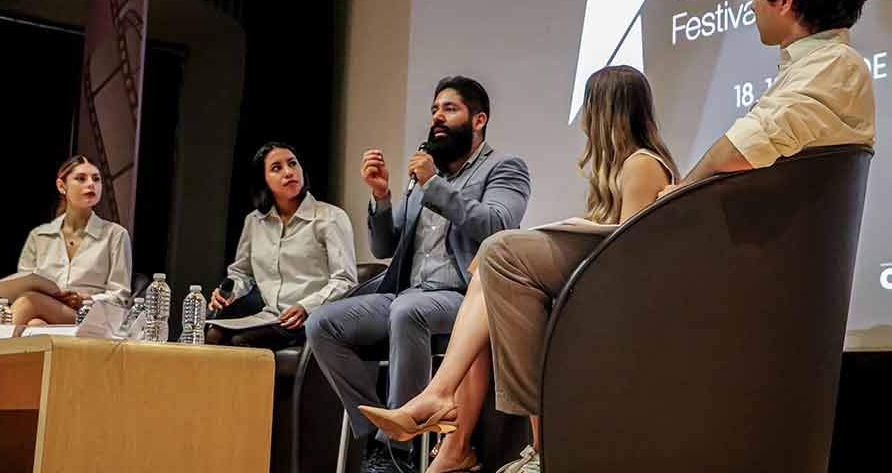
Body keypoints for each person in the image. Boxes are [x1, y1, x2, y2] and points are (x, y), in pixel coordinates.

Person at [360, 66, 679, 473]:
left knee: (495, 252)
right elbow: (386, 243)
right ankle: (466, 429)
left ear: (606, 109)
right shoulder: (620, 168)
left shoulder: (640, 164)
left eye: (587, 105)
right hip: (592, 284)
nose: (581, 117)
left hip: (624, 295)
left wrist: (578, 227)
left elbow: (627, 255)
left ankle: (449, 407)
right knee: (489, 273)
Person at [306, 76, 531, 470]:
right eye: (434, 110)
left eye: (449, 109)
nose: (437, 118)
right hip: (406, 292)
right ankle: (381, 440)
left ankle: (398, 456)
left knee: (408, 312)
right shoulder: (427, 173)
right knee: (322, 324)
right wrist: (381, 196)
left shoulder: (504, 168)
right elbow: (386, 247)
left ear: (478, 120)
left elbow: (497, 227)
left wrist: (433, 184)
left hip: (463, 297)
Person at [661, 0, 875, 195]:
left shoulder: (836, 62)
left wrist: (679, 193)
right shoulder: (821, 64)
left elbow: (745, 144)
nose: (752, 5)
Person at [206, 142, 357, 351]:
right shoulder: (254, 221)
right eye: (277, 168)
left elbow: (345, 280)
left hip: (310, 319)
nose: (288, 172)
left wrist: (306, 307)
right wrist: (230, 292)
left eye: (293, 164)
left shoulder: (330, 217)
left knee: (241, 342)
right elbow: (241, 273)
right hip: (269, 317)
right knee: (212, 335)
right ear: (264, 180)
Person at [11, 155, 132, 326]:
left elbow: (120, 297)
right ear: (62, 186)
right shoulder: (39, 236)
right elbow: (21, 287)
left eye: (96, 179)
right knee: (35, 325)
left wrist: (86, 299)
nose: (91, 184)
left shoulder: (116, 235)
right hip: (47, 313)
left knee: (28, 301)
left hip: (93, 318)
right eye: (81, 178)